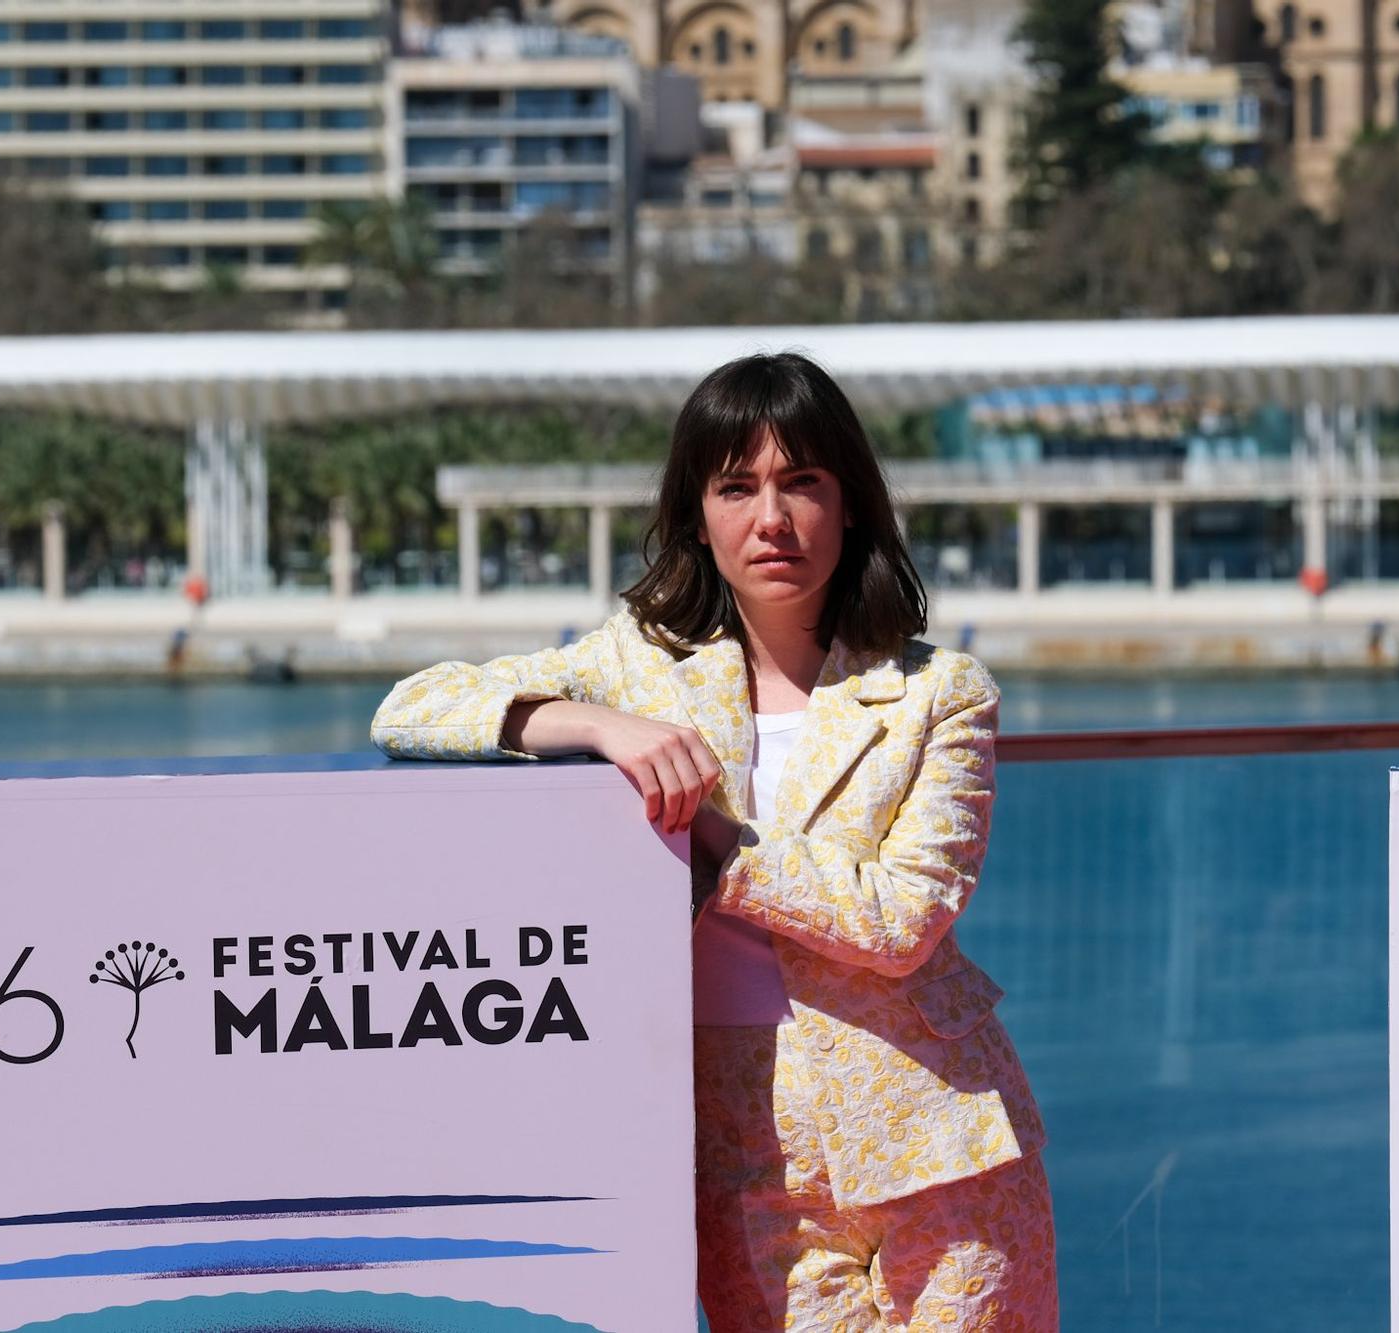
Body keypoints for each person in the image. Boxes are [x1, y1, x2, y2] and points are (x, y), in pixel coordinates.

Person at [370, 351, 1056, 1330]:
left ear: (849, 503)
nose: (769, 518)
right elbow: (413, 705)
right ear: (698, 515)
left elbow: (900, 917)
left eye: (801, 484)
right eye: (736, 487)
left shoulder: (938, 693)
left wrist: (713, 838)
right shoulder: (636, 672)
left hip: (940, 1158)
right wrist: (594, 727)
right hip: (745, 1168)